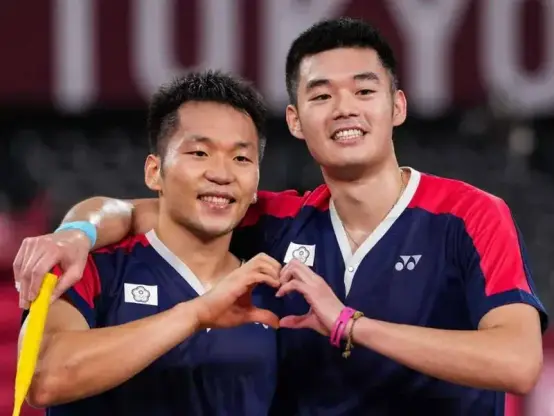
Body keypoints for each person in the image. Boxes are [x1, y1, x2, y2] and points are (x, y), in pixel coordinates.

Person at [15, 18, 547, 416]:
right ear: (295, 120)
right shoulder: (278, 220)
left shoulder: (470, 214)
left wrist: (349, 324)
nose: (345, 108)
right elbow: (145, 211)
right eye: (321, 95)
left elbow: (518, 363)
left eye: (364, 90)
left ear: (398, 107)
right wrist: (77, 231)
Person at [17, 70, 284, 416]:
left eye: (241, 158)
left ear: (255, 183)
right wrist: (194, 314)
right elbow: (43, 378)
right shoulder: (90, 266)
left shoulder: (273, 289)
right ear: (154, 172)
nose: (222, 173)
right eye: (200, 153)